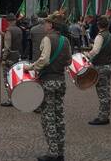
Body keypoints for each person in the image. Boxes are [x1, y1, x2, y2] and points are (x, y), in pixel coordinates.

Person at [24, 12, 72, 161]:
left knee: (48, 117)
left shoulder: (47, 39)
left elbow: (43, 60)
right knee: (59, 116)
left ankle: (52, 153)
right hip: (60, 81)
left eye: (46, 23)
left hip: (48, 82)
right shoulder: (65, 40)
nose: (44, 25)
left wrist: (30, 68)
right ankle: (60, 152)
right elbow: (69, 61)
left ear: (51, 25)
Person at [85, 15, 111, 125]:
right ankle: (105, 114)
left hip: (101, 66)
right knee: (106, 90)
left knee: (102, 92)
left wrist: (87, 55)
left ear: (98, 25)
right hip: (108, 65)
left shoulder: (100, 36)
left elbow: (95, 51)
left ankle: (103, 117)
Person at [1, 13, 23, 107]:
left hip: (10, 57)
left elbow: (7, 46)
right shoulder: (19, 29)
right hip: (17, 55)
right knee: (16, 77)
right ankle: (19, 97)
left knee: (7, 79)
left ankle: (10, 99)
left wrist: (3, 58)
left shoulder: (9, 30)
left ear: (8, 21)